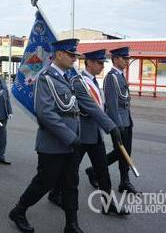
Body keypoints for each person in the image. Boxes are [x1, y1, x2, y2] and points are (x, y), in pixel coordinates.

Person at [9, 38, 83, 233]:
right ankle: (19, 210)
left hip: (70, 143)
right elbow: (46, 113)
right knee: (44, 182)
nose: (74, 59)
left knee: (71, 183)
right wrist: (71, 137)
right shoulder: (45, 77)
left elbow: (73, 110)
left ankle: (71, 224)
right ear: (59, 55)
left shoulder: (67, 77)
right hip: (53, 144)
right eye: (71, 55)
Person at [48, 49, 129, 216]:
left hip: (95, 134)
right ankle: (55, 193)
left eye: (102, 63)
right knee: (70, 170)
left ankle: (108, 204)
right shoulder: (79, 82)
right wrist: (112, 127)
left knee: (102, 170)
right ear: (89, 62)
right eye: (99, 63)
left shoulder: (92, 81)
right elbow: (92, 108)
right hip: (81, 135)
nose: (101, 66)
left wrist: (111, 125)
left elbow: (101, 107)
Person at [102, 46, 139, 194]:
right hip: (119, 123)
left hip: (126, 121)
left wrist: (127, 121)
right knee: (120, 152)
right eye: (124, 58)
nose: (126, 61)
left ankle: (125, 181)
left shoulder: (120, 75)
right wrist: (117, 125)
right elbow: (111, 105)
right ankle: (94, 170)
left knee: (126, 152)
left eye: (127, 59)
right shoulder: (111, 77)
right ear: (115, 59)